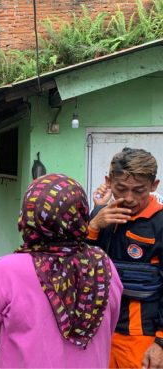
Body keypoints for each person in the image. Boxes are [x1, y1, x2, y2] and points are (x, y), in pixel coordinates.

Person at [0, 173, 122, 368]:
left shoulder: (5, 271)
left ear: (27, 216)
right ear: (81, 215)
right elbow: (110, 324)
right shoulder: (103, 264)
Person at [87, 148, 163, 369]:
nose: (129, 198)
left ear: (153, 186)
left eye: (138, 190)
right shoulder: (99, 217)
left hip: (140, 337)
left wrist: (160, 342)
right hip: (97, 332)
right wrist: (93, 226)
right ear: (109, 182)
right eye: (121, 188)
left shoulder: (159, 224)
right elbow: (79, 265)